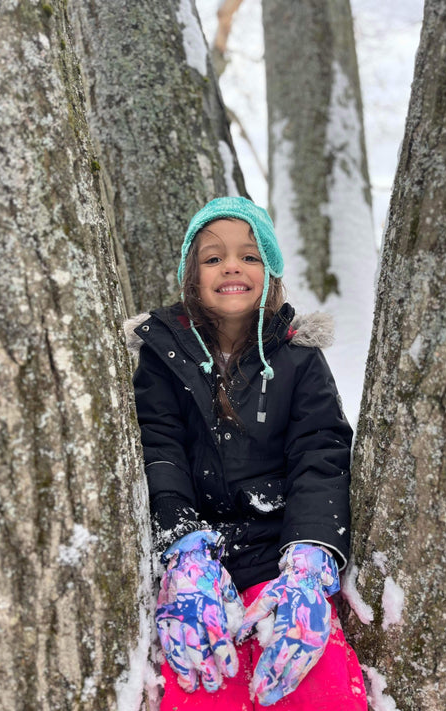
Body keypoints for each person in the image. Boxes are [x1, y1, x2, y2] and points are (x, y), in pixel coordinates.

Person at [126, 197, 367, 710]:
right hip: (198, 572)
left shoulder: (300, 358)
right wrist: (184, 550)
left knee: (320, 687)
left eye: (250, 256)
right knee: (199, 688)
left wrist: (309, 560)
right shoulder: (161, 355)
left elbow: (320, 454)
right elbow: (158, 450)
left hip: (278, 563)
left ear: (271, 272)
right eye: (213, 258)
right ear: (191, 275)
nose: (231, 265)